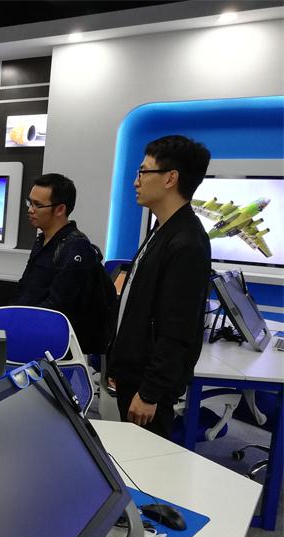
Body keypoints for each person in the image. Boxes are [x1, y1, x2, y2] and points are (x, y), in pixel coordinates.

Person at [107, 135, 212, 439]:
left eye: (143, 171)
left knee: (145, 460)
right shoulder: (163, 229)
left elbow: (178, 329)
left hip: (148, 386)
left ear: (170, 178)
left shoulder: (187, 242)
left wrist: (150, 392)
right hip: (134, 374)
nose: (136, 181)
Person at [11, 173, 98, 343]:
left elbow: (59, 304)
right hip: (24, 331)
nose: (30, 210)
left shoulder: (76, 247)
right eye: (30, 202)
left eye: (38, 205)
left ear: (60, 209)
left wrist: (21, 323)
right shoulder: (41, 241)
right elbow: (25, 287)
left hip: (50, 340)